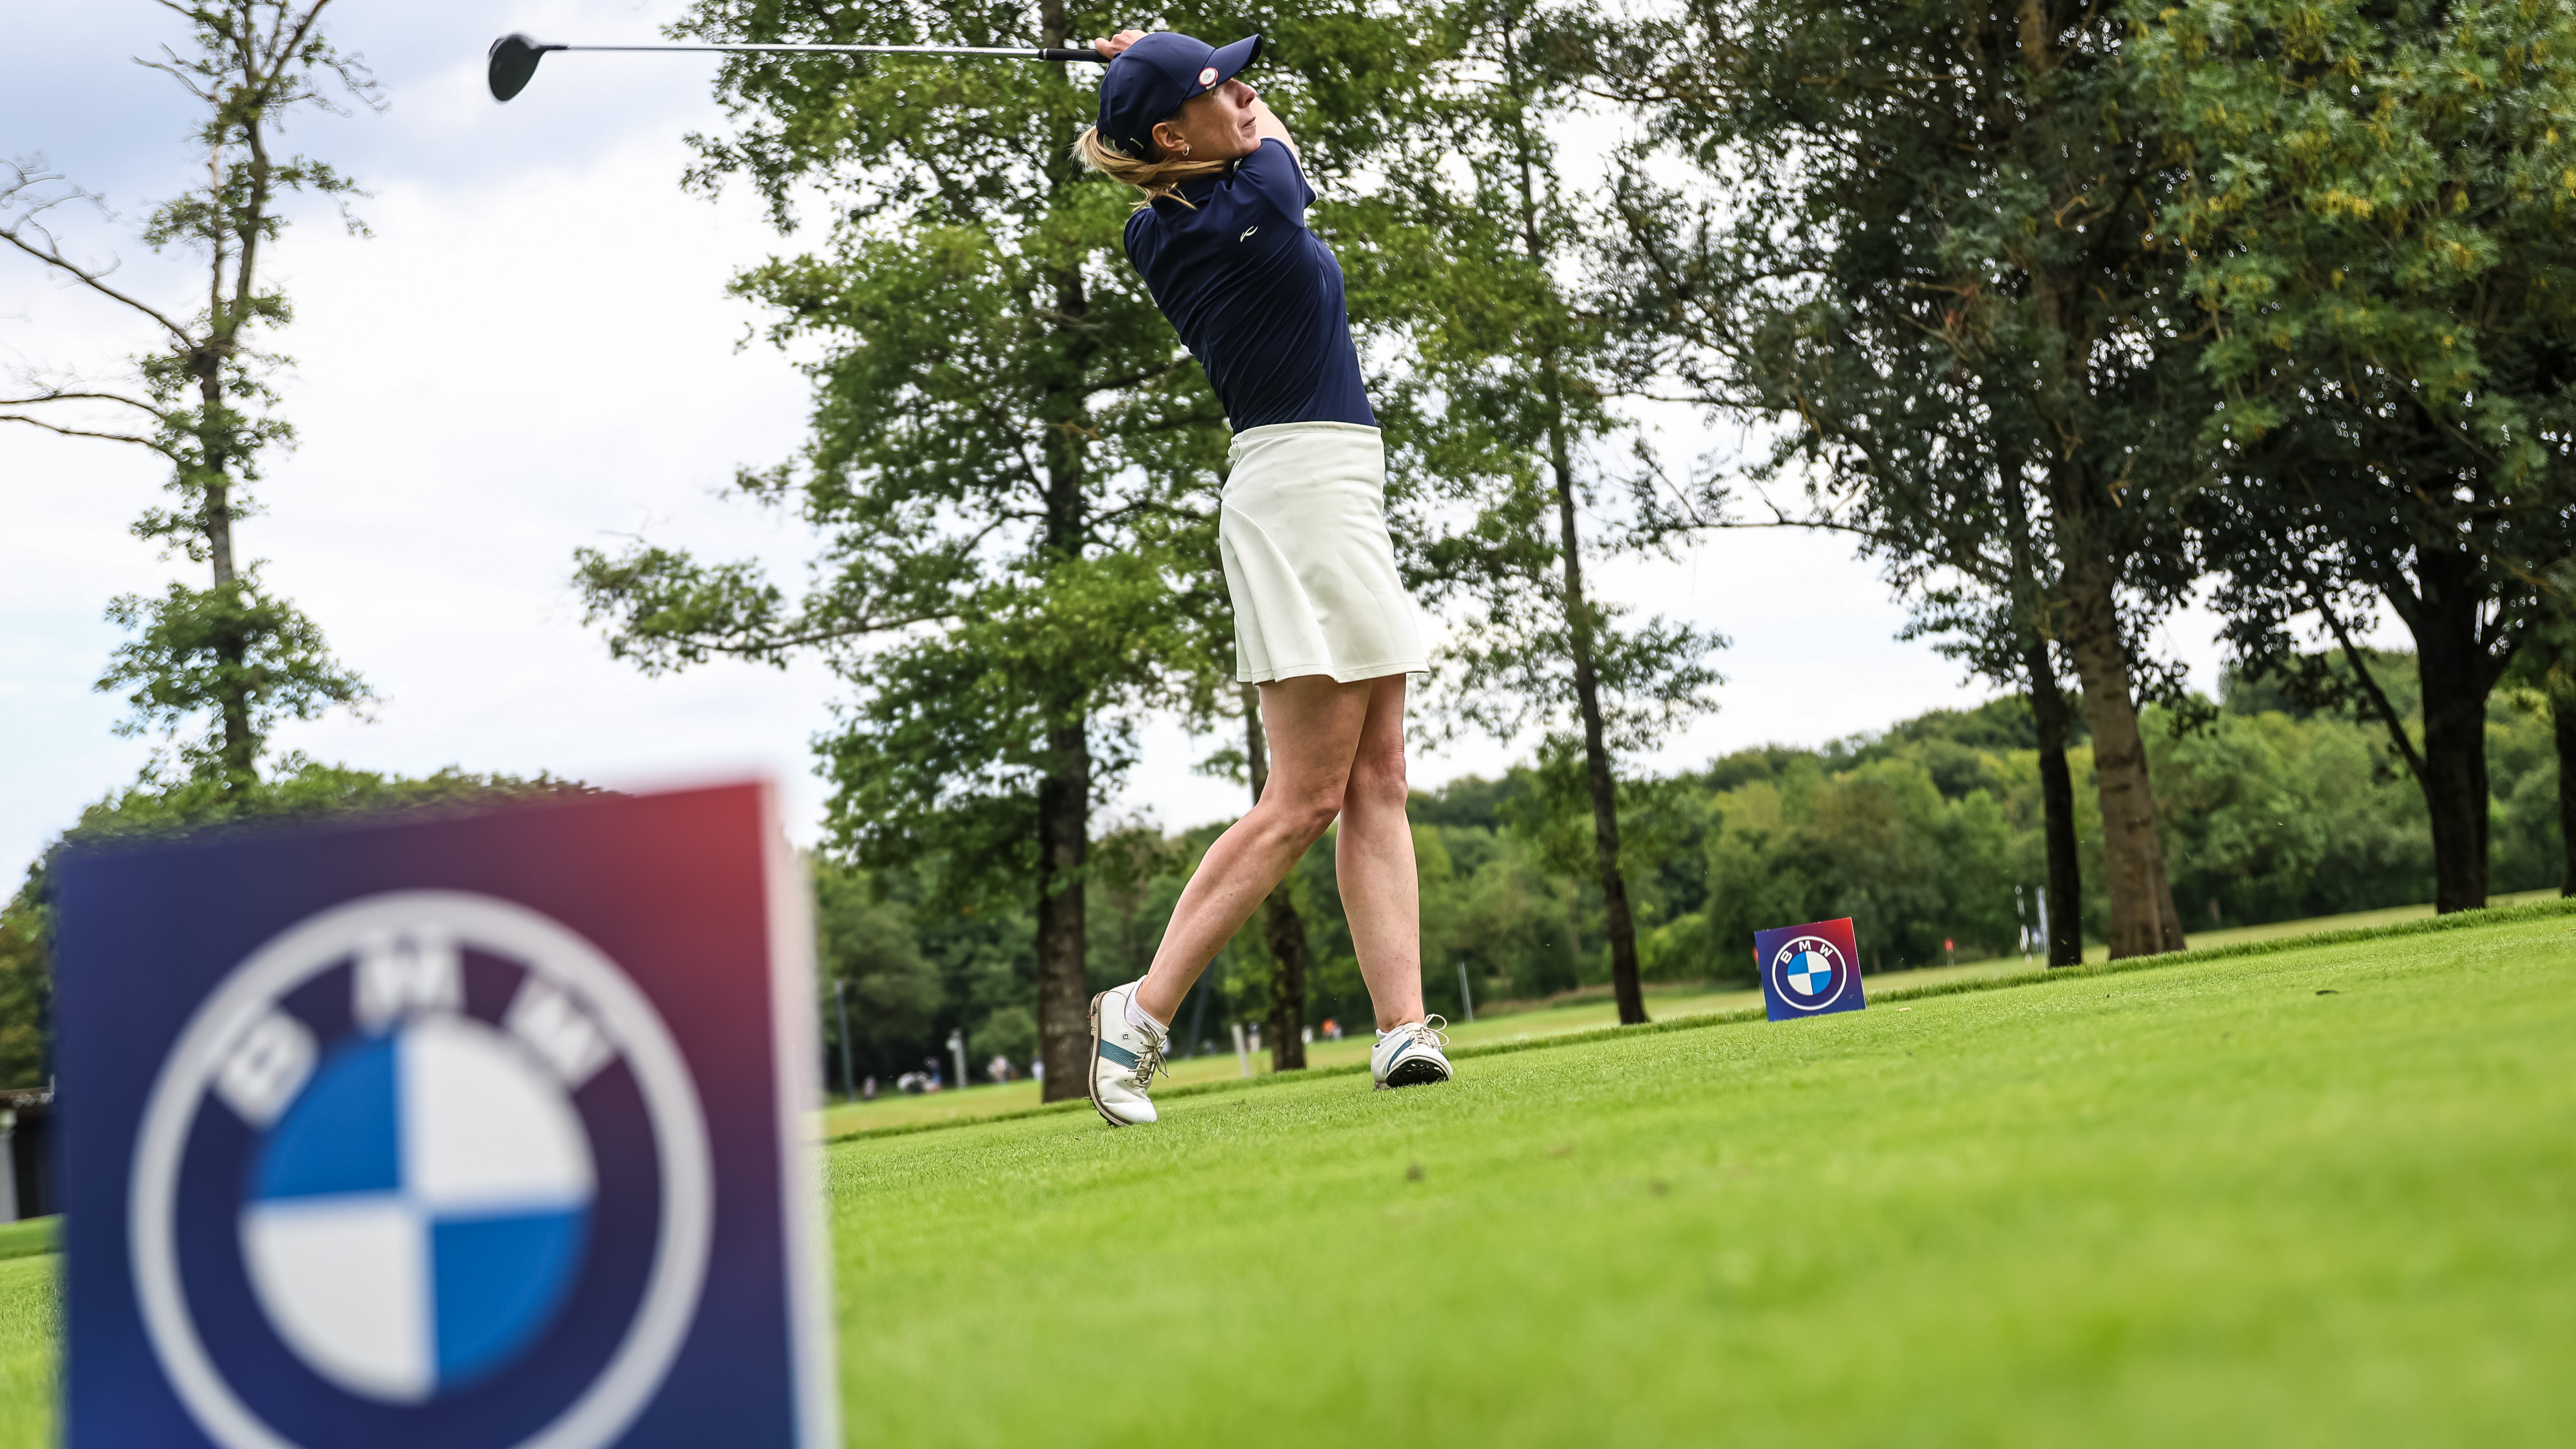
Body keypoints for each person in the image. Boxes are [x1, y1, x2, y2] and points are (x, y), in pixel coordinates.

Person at [1073, 29, 1453, 1128]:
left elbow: (1229, 128)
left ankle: (1401, 1030)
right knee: (1304, 799)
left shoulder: (1172, 214)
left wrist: (1169, 62)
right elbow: (1273, 144)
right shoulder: (1242, 206)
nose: (1245, 95)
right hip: (1300, 497)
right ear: (1168, 135)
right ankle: (1139, 1015)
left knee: (1379, 777)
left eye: (1239, 81)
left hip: (1334, 486)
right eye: (1219, 87)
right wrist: (1159, 53)